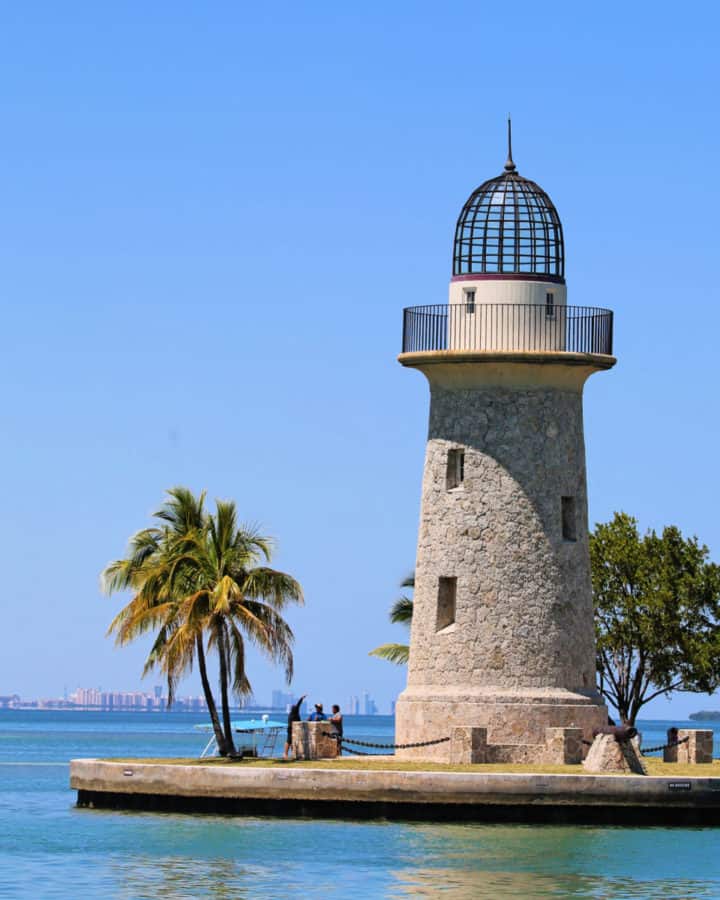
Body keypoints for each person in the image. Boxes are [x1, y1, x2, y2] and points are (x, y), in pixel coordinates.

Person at [283, 694, 306, 759]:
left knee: (293, 742)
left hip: (294, 729)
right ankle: (285, 754)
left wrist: (301, 698)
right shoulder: (292, 714)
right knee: (289, 741)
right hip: (291, 729)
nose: (297, 709)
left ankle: (293, 754)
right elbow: (298, 705)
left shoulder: (294, 713)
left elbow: (298, 705)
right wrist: (301, 698)